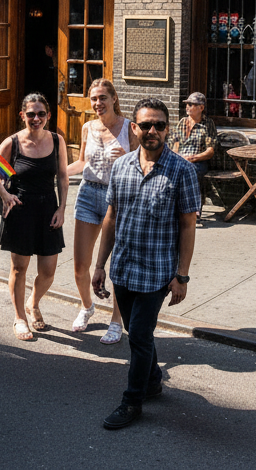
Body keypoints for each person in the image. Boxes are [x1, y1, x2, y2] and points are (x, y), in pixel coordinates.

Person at [91, 97, 200, 430]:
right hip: (123, 268)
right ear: (135, 128)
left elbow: (188, 225)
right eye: (146, 125)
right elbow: (111, 217)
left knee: (139, 335)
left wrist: (182, 275)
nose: (153, 131)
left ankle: (132, 401)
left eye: (159, 125)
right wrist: (100, 265)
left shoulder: (182, 170)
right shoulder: (121, 166)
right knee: (135, 332)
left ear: (167, 129)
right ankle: (152, 380)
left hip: (157, 272)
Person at [0, 93, 68, 342]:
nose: (36, 118)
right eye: (31, 114)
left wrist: (62, 209)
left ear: (48, 116)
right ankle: (20, 317)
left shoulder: (56, 140)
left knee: (48, 271)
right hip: (21, 208)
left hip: (48, 209)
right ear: (22, 115)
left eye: (41, 114)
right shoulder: (12, 142)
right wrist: (5, 195)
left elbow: (63, 177)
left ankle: (33, 302)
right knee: (19, 268)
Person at [65, 78, 134, 343]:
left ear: (114, 98)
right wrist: (56, 173)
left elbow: (143, 165)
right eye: (94, 98)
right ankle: (87, 306)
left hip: (116, 199)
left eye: (102, 97)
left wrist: (126, 158)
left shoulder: (129, 128)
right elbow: (82, 162)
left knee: (116, 266)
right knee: (80, 266)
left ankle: (116, 321)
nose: (97, 103)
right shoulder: (87, 127)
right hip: (88, 194)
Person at [169, 91, 217, 180]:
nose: (187, 107)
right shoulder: (182, 122)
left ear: (201, 108)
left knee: (185, 172)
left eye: (190, 104)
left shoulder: (207, 124)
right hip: (181, 160)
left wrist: (192, 158)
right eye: (187, 104)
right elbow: (175, 144)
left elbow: (210, 151)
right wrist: (177, 157)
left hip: (198, 162)